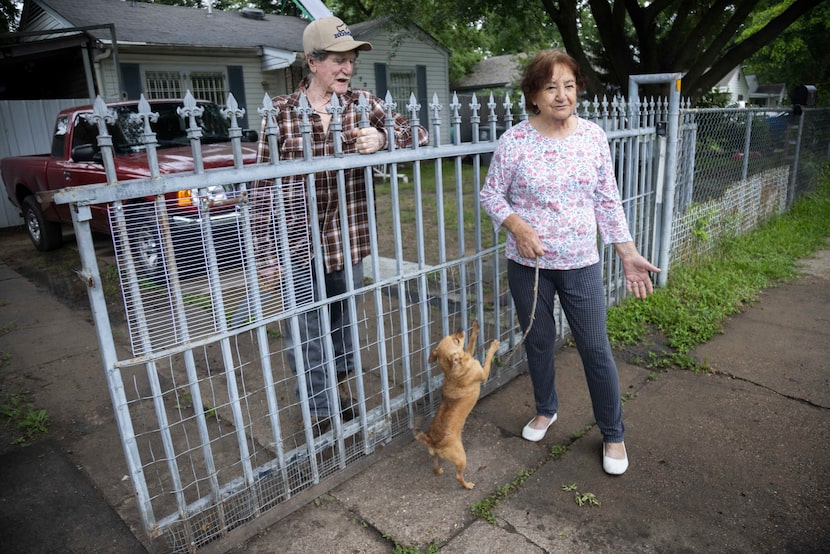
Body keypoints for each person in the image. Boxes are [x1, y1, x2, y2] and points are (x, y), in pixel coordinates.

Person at [479, 49, 659, 475]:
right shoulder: (515, 141)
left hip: (580, 263)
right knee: (539, 342)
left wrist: (627, 251)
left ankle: (613, 433)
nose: (562, 95)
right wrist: (518, 228)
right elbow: (491, 194)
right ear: (534, 95)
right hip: (529, 267)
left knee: (595, 348)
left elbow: (606, 198)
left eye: (569, 85)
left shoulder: (593, 136)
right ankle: (546, 409)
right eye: (550, 87)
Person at [254, 16, 429, 432]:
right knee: (305, 329)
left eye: (350, 60)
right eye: (337, 59)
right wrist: (264, 255)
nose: (347, 68)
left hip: (346, 239)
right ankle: (319, 412)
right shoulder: (280, 113)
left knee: (342, 320)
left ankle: (341, 388)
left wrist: (385, 139)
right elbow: (261, 188)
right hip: (293, 242)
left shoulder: (364, 105)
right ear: (312, 62)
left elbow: (421, 133)